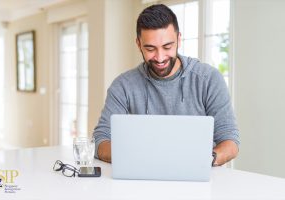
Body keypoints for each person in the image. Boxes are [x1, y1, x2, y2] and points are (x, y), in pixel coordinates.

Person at [93, 4, 239, 166]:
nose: (160, 57)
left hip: (198, 178)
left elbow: (230, 141)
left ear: (179, 39)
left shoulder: (208, 79)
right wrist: (140, 156)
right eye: (150, 49)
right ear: (138, 44)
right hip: (141, 176)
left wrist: (202, 160)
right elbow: (101, 139)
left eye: (167, 47)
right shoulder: (123, 86)